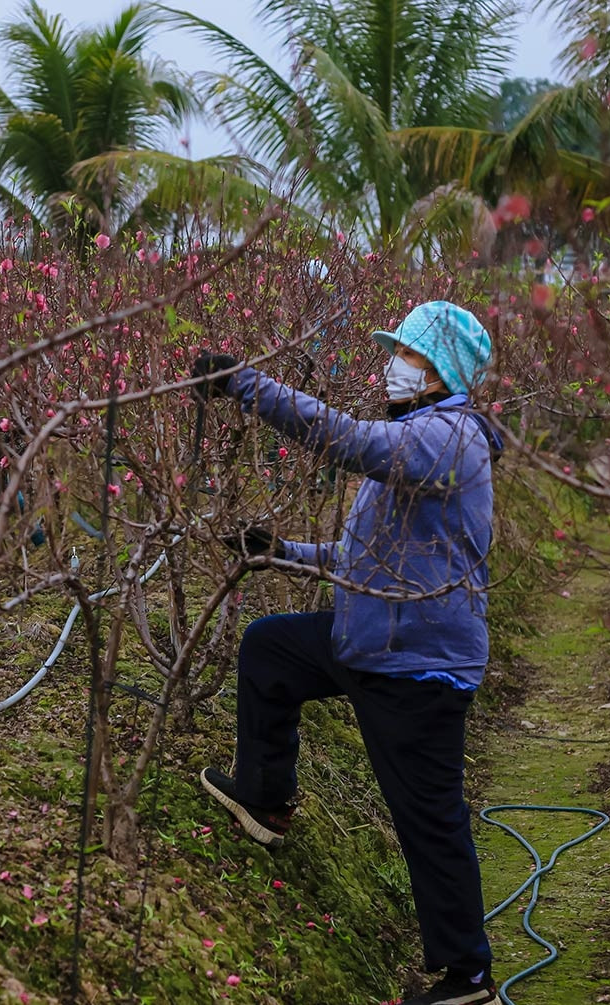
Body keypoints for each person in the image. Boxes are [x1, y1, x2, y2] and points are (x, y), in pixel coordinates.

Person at [187, 300, 503, 1005]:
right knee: (271, 651)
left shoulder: (448, 438)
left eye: (409, 354)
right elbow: (372, 557)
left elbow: (345, 440)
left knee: (429, 815)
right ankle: (266, 797)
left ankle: (465, 976)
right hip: (371, 640)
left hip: (416, 665)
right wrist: (285, 553)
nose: (394, 363)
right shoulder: (424, 435)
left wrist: (246, 382)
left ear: (439, 370)